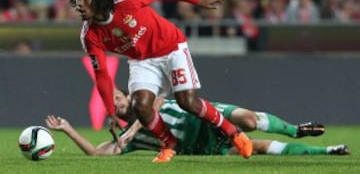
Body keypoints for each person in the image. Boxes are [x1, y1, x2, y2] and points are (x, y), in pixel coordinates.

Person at [69, 0, 253, 162]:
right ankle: (169, 144)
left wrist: (196, 0)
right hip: (142, 60)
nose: (79, 4)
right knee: (140, 106)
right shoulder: (89, 35)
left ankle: (234, 133)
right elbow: (101, 75)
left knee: (187, 102)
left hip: (171, 47)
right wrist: (110, 111)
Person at [45, 89, 350, 157]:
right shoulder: (130, 139)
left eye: (120, 96)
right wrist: (69, 129)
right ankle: (326, 152)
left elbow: (160, 101)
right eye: (115, 104)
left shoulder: (146, 99)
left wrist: (135, 128)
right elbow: (98, 154)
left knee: (247, 119)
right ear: (112, 113)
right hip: (198, 146)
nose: (121, 102)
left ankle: (295, 129)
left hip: (203, 115)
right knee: (254, 148)